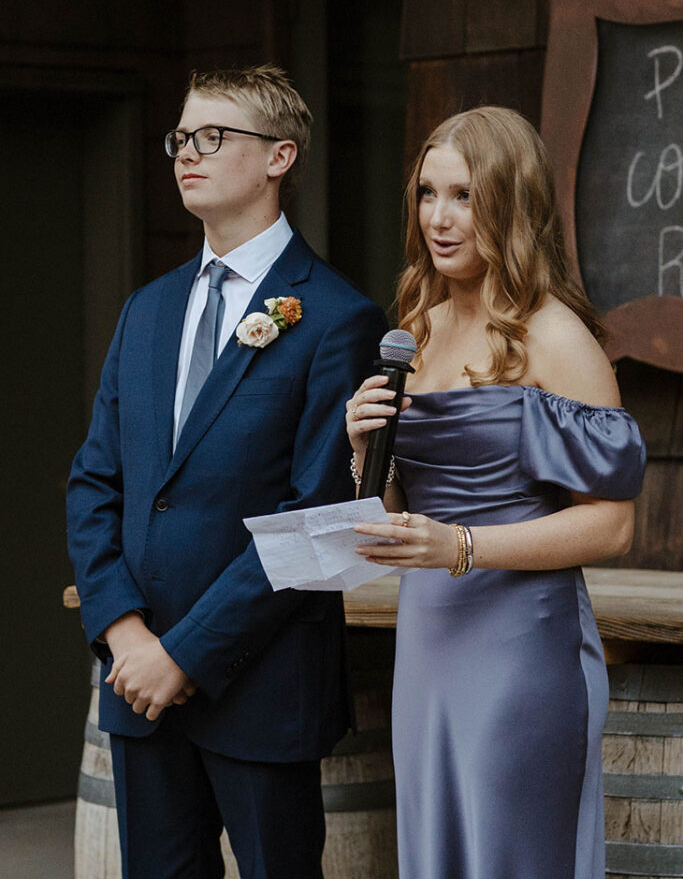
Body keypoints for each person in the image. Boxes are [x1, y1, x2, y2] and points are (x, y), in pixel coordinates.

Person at [67, 65, 386, 879]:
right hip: (139, 687)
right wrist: (125, 633)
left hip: (261, 690)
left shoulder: (335, 318)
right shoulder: (147, 310)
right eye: (181, 137)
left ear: (279, 156)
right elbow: (95, 484)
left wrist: (187, 656)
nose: (187, 153)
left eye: (214, 136)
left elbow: (314, 516)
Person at [346, 106, 646, 879]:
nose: (439, 220)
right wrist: (362, 453)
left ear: (511, 205)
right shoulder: (418, 324)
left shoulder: (554, 337)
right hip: (427, 642)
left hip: (523, 648)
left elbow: (611, 528)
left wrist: (462, 545)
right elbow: (393, 515)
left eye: (465, 198)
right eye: (426, 194)